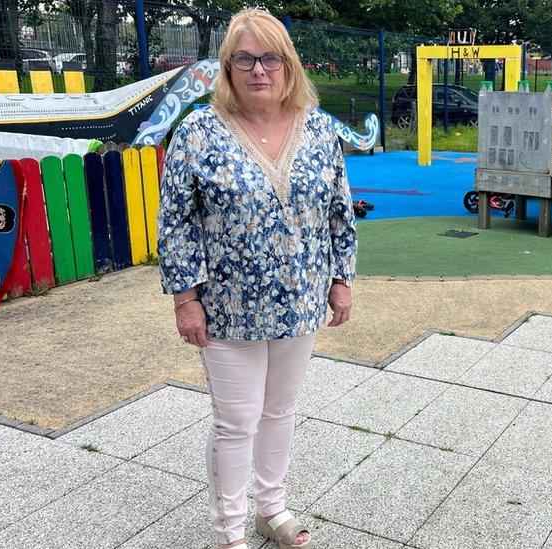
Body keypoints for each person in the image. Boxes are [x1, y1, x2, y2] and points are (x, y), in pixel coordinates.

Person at [156, 9, 357, 549]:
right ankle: (230, 532)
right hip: (227, 307)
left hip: (301, 300)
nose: (259, 70)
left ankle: (272, 508)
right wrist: (185, 298)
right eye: (244, 59)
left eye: (270, 58)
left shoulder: (317, 128)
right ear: (228, 67)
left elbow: (339, 210)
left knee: (280, 410)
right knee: (236, 420)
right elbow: (175, 220)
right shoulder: (198, 132)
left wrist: (341, 278)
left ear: (288, 65)